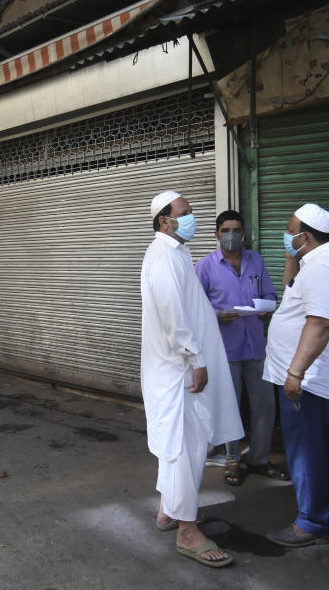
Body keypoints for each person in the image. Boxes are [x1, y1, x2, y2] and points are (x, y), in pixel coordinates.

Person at [140, 190, 243, 568]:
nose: (192, 217)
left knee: (177, 444)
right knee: (186, 447)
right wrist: (195, 358)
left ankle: (168, 511)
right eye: (184, 213)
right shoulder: (164, 256)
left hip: (178, 367)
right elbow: (172, 316)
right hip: (180, 369)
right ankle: (187, 531)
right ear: (165, 221)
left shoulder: (176, 253)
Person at [263, 203, 329, 548]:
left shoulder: (323, 269)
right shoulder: (319, 262)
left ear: (305, 236)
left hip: (309, 381)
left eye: (290, 231)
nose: (286, 236)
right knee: (317, 449)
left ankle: (311, 523)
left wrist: (295, 373)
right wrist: (292, 258)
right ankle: (322, 514)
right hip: (315, 379)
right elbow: (293, 293)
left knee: (307, 452)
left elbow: (319, 324)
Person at [195, 210, 286, 487]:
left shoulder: (255, 260)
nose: (231, 235)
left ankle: (259, 457)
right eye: (225, 230)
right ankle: (232, 458)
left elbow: (270, 294)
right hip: (225, 350)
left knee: (265, 406)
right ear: (216, 234)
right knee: (229, 407)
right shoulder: (205, 266)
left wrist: (265, 308)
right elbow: (194, 307)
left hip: (256, 346)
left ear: (243, 234)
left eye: (236, 230)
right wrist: (217, 314)